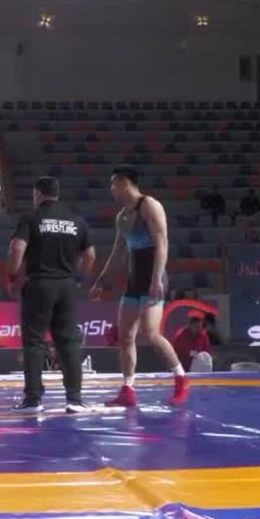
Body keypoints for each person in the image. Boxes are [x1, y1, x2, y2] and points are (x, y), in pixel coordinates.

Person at [91, 167, 191, 409]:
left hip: (153, 278)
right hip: (135, 280)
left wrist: (157, 278)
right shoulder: (122, 217)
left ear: (125, 182)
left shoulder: (150, 206)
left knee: (151, 334)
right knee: (125, 336)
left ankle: (181, 379)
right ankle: (128, 389)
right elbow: (118, 252)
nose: (111, 189)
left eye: (113, 184)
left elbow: (162, 243)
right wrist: (101, 280)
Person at [7, 176, 95, 412]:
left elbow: (16, 248)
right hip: (66, 285)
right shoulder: (75, 219)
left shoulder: (31, 217)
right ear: (57, 193)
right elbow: (90, 255)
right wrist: (78, 279)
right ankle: (74, 399)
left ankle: (33, 400)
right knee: (68, 342)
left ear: (37, 194)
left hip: (39, 284)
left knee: (35, 342)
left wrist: (14, 277)